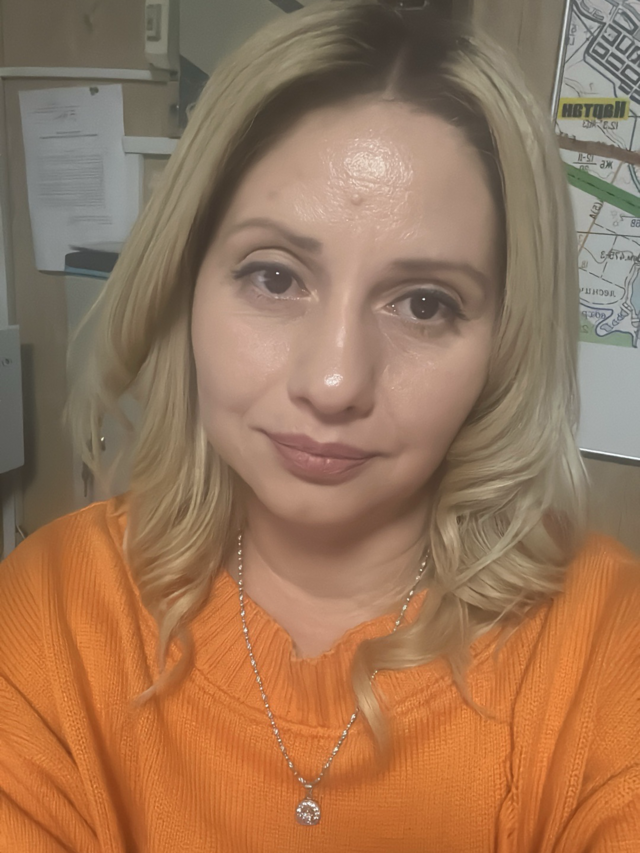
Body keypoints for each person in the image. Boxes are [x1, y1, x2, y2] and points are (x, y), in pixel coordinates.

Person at [1, 1, 639, 850]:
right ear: (184, 284)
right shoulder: (49, 613)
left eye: (425, 304)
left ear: (505, 342)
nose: (334, 382)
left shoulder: (606, 641)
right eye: (274, 277)